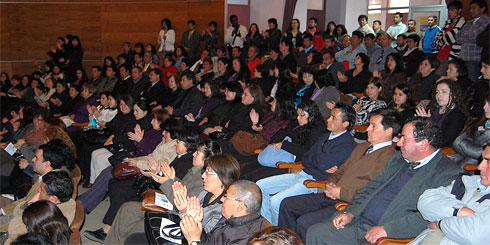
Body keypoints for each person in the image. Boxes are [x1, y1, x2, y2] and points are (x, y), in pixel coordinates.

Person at [306, 117, 462, 244]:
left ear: (423, 144)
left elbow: (432, 217)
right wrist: (351, 212)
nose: (398, 143)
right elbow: (370, 187)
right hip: (360, 221)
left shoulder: (447, 173)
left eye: (404, 139)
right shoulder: (398, 158)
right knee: (315, 232)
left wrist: (388, 229)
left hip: (389, 234)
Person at [279, 108, 401, 241]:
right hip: (332, 194)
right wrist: (331, 183)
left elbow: (373, 191)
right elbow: (341, 170)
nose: (367, 130)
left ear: (388, 131)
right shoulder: (362, 147)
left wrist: (341, 192)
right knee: (287, 204)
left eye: (373, 126)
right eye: (368, 125)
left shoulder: (391, 157)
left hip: (350, 204)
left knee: (305, 222)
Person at [257, 102, 357, 226]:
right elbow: (306, 157)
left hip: (314, 181)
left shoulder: (347, 144)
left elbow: (321, 162)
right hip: (302, 173)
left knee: (276, 201)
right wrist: (316, 160)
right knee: (259, 186)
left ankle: (279, 234)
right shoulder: (325, 136)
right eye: (330, 116)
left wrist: (315, 159)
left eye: (333, 118)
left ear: (345, 124)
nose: (328, 119)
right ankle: (271, 225)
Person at [103, 140, 220, 244]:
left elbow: (180, 202)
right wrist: (167, 176)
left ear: (206, 159)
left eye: (197, 153)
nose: (193, 154)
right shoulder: (195, 170)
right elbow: (182, 186)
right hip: (170, 203)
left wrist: (168, 181)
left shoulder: (204, 180)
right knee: (127, 208)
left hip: (174, 214)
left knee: (136, 227)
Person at [410, 142, 490, 244]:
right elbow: (425, 201)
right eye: (482, 159)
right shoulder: (469, 183)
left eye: (488, 161)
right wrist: (459, 211)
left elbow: (475, 235)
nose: (480, 167)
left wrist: (440, 223)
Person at [180, 180, 265, 245]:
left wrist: (194, 241)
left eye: (226, 196)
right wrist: (196, 227)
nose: (221, 199)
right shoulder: (229, 217)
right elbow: (209, 241)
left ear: (240, 206)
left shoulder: (248, 239)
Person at [416, 79, 467, 147]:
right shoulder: (433, 108)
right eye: (437, 92)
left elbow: (444, 141)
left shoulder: (457, 115)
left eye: (444, 92)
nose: (439, 95)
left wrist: (428, 123)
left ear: (454, 94)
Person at [457, 0, 490, 81]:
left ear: (482, 9)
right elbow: (458, 37)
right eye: (470, 8)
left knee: (473, 82)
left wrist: (465, 36)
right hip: (463, 57)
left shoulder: (486, 21)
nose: (471, 10)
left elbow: (476, 37)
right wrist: (467, 36)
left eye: (473, 8)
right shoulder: (469, 22)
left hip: (475, 58)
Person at [434, 0, 465, 75]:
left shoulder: (462, 23)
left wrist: (442, 39)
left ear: (459, 10)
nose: (449, 12)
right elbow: (436, 40)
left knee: (439, 76)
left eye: (452, 10)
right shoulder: (447, 23)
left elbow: (450, 38)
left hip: (450, 56)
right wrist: (443, 39)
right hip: (440, 55)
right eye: (449, 10)